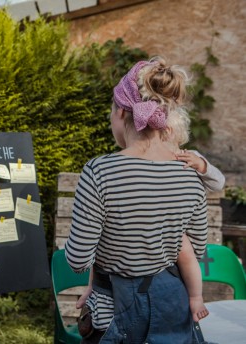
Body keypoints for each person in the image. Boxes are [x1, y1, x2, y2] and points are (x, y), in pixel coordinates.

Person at [65, 57, 209, 343]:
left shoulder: (100, 170)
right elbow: (199, 247)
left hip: (115, 311)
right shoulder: (189, 174)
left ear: (121, 113)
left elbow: (78, 259)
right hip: (171, 307)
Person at [75, 109, 225, 324]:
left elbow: (218, 182)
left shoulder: (188, 158)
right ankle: (95, 287)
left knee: (185, 250)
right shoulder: (171, 170)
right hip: (150, 270)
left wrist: (202, 165)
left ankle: (196, 296)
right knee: (107, 246)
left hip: (159, 244)